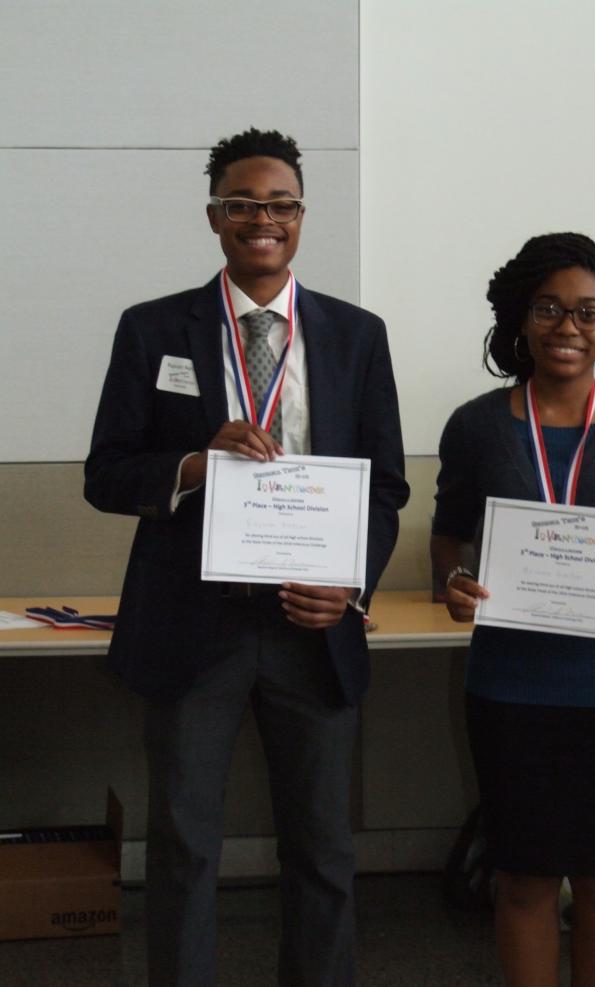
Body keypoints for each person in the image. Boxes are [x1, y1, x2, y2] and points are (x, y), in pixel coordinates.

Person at [85, 128, 409, 987]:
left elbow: (385, 488)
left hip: (313, 622)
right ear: (214, 216)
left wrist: (349, 584)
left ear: (301, 216)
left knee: (323, 848)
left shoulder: (356, 335)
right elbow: (106, 474)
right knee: (185, 846)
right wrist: (195, 463)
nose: (263, 219)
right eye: (242, 204)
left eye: (280, 204)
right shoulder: (153, 329)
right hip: (194, 625)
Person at [431, 232, 595, 987]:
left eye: (588, 312)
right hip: (511, 688)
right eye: (548, 308)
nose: (568, 327)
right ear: (521, 317)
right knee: (523, 877)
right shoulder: (477, 425)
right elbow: (448, 540)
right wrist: (454, 582)